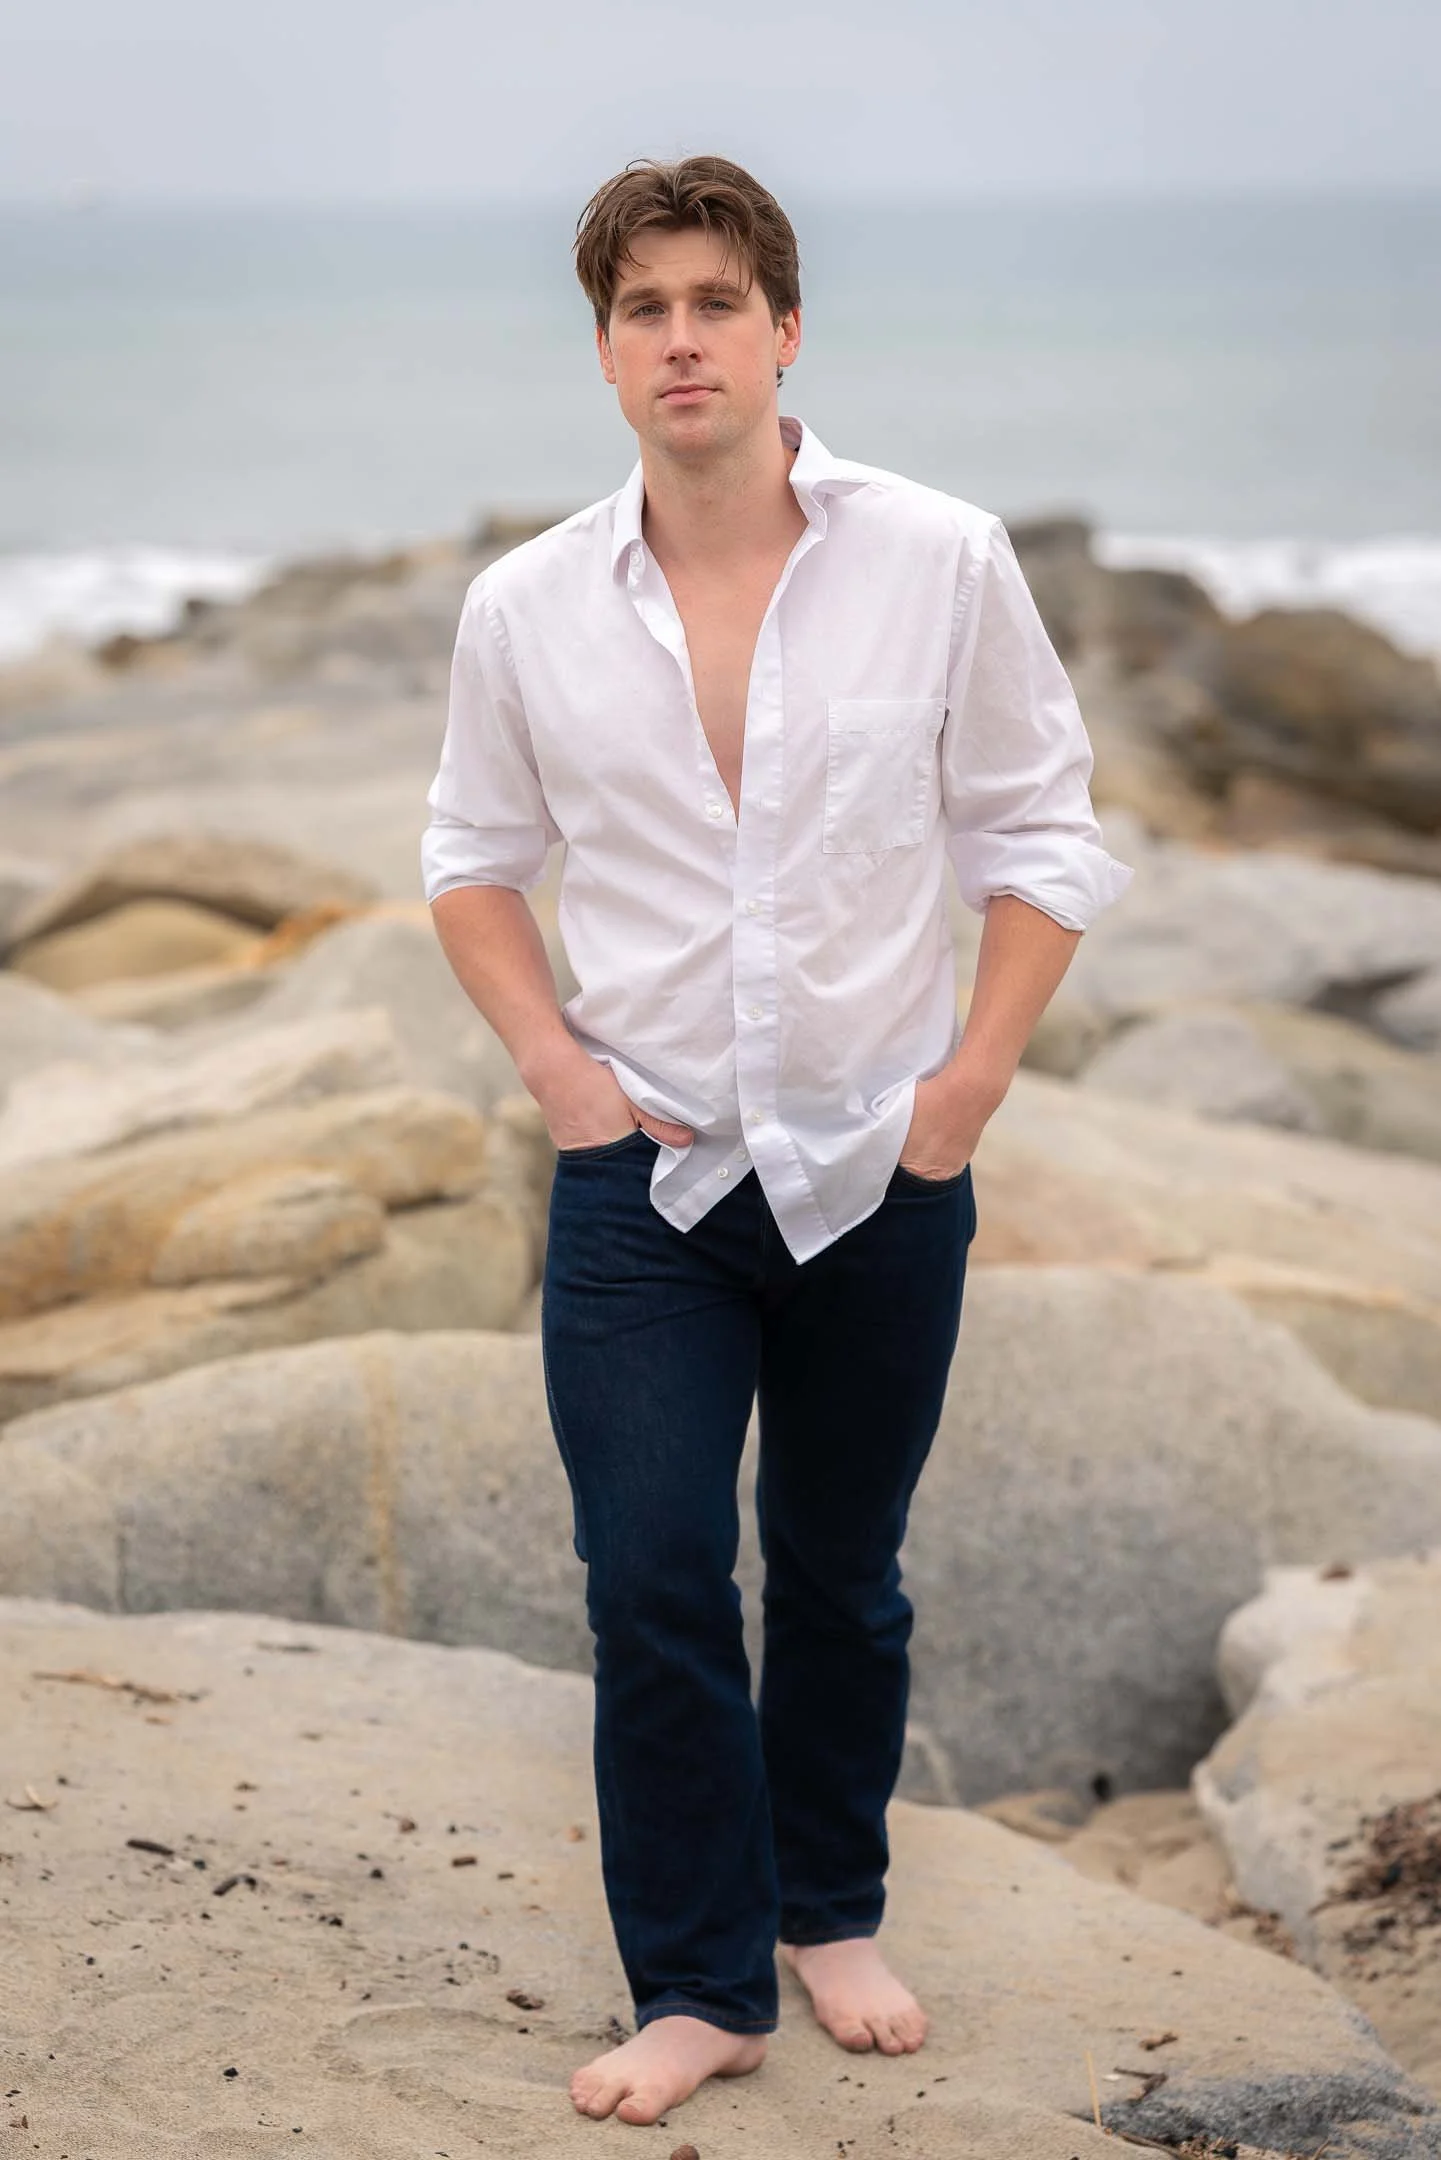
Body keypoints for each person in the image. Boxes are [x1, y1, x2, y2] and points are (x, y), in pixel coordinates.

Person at [422, 152, 1135, 2129]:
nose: (680, 341)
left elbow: (1039, 834)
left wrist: (967, 1087)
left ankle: (830, 1913)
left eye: (713, 303)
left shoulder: (942, 559)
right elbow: (475, 867)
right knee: (650, 1572)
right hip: (640, 1182)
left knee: (842, 1572)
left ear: (784, 327)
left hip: (875, 1158)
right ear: (604, 351)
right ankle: (701, 1984)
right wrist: (563, 1078)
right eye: (643, 311)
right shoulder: (531, 606)